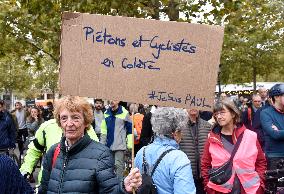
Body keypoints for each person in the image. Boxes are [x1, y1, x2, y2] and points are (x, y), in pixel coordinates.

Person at [38, 96, 141, 193]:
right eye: (64, 118)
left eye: (75, 118)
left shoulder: (101, 155)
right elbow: (43, 190)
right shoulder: (52, 152)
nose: (69, 124)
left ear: (86, 121)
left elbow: (110, 191)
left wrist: (123, 187)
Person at [201, 99, 266, 194]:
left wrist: (260, 184)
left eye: (222, 113)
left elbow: (261, 162)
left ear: (233, 114)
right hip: (220, 190)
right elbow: (205, 165)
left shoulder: (250, 135)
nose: (218, 116)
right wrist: (208, 187)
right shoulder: (211, 138)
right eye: (216, 114)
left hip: (249, 190)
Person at [135, 107, 196, 194]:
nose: (182, 135)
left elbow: (135, 185)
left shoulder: (142, 152)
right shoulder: (179, 158)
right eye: (181, 131)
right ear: (175, 133)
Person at [20, 119, 99, 185]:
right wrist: (26, 170)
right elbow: (34, 150)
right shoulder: (48, 126)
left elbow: (96, 154)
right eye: (64, 116)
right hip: (48, 182)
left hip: (78, 183)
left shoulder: (85, 126)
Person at [179, 108, 212, 194]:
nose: (193, 107)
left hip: (204, 174)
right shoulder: (179, 127)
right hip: (186, 174)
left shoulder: (207, 126)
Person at [100, 100, 133, 179]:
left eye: (114, 99)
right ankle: (110, 182)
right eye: (110, 99)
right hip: (108, 145)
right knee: (109, 164)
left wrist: (130, 144)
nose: (111, 101)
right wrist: (101, 144)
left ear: (118, 101)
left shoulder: (125, 113)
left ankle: (119, 183)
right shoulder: (106, 113)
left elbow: (130, 129)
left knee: (118, 165)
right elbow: (103, 130)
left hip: (120, 144)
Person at [260, 83, 284, 170]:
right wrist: (277, 133)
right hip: (275, 157)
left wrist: (279, 132)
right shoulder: (265, 113)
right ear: (276, 97)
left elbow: (278, 134)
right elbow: (275, 134)